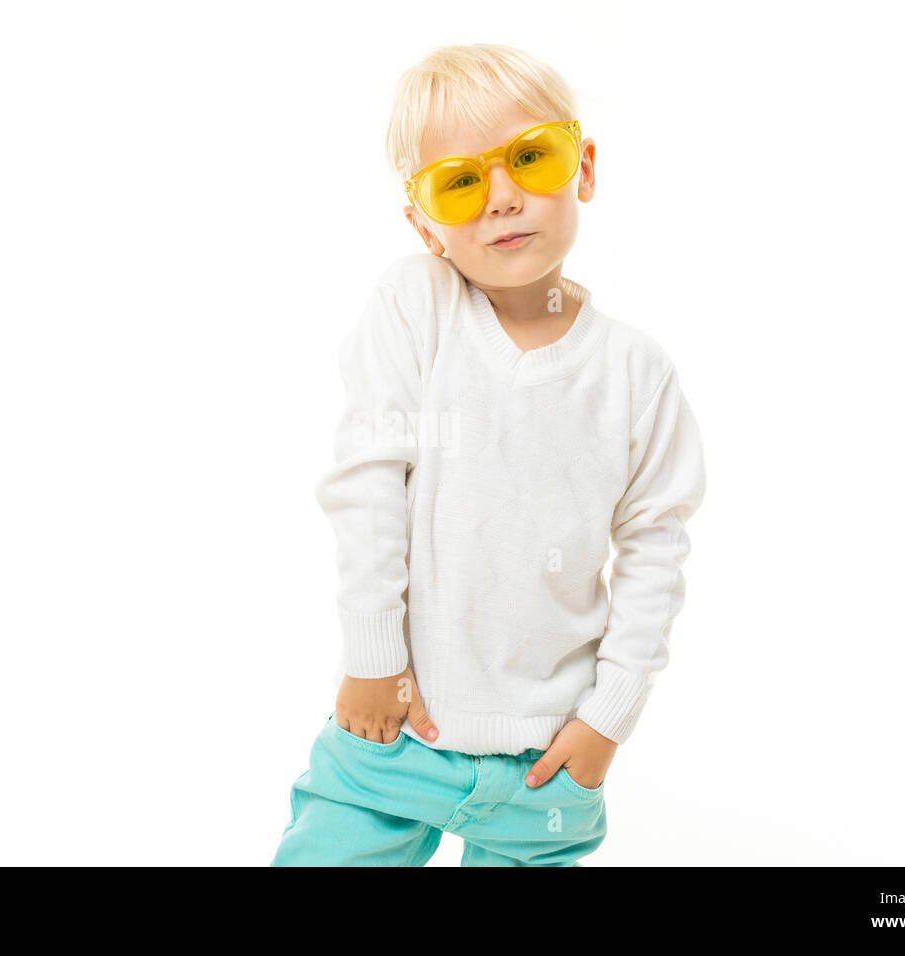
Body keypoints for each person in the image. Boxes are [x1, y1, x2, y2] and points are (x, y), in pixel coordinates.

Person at [271, 42, 707, 866]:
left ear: (581, 167)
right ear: (424, 224)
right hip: (394, 728)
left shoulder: (634, 372)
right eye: (462, 183)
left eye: (530, 159)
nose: (503, 198)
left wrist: (607, 718)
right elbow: (367, 480)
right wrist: (375, 659)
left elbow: (656, 549)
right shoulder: (415, 306)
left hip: (546, 765)